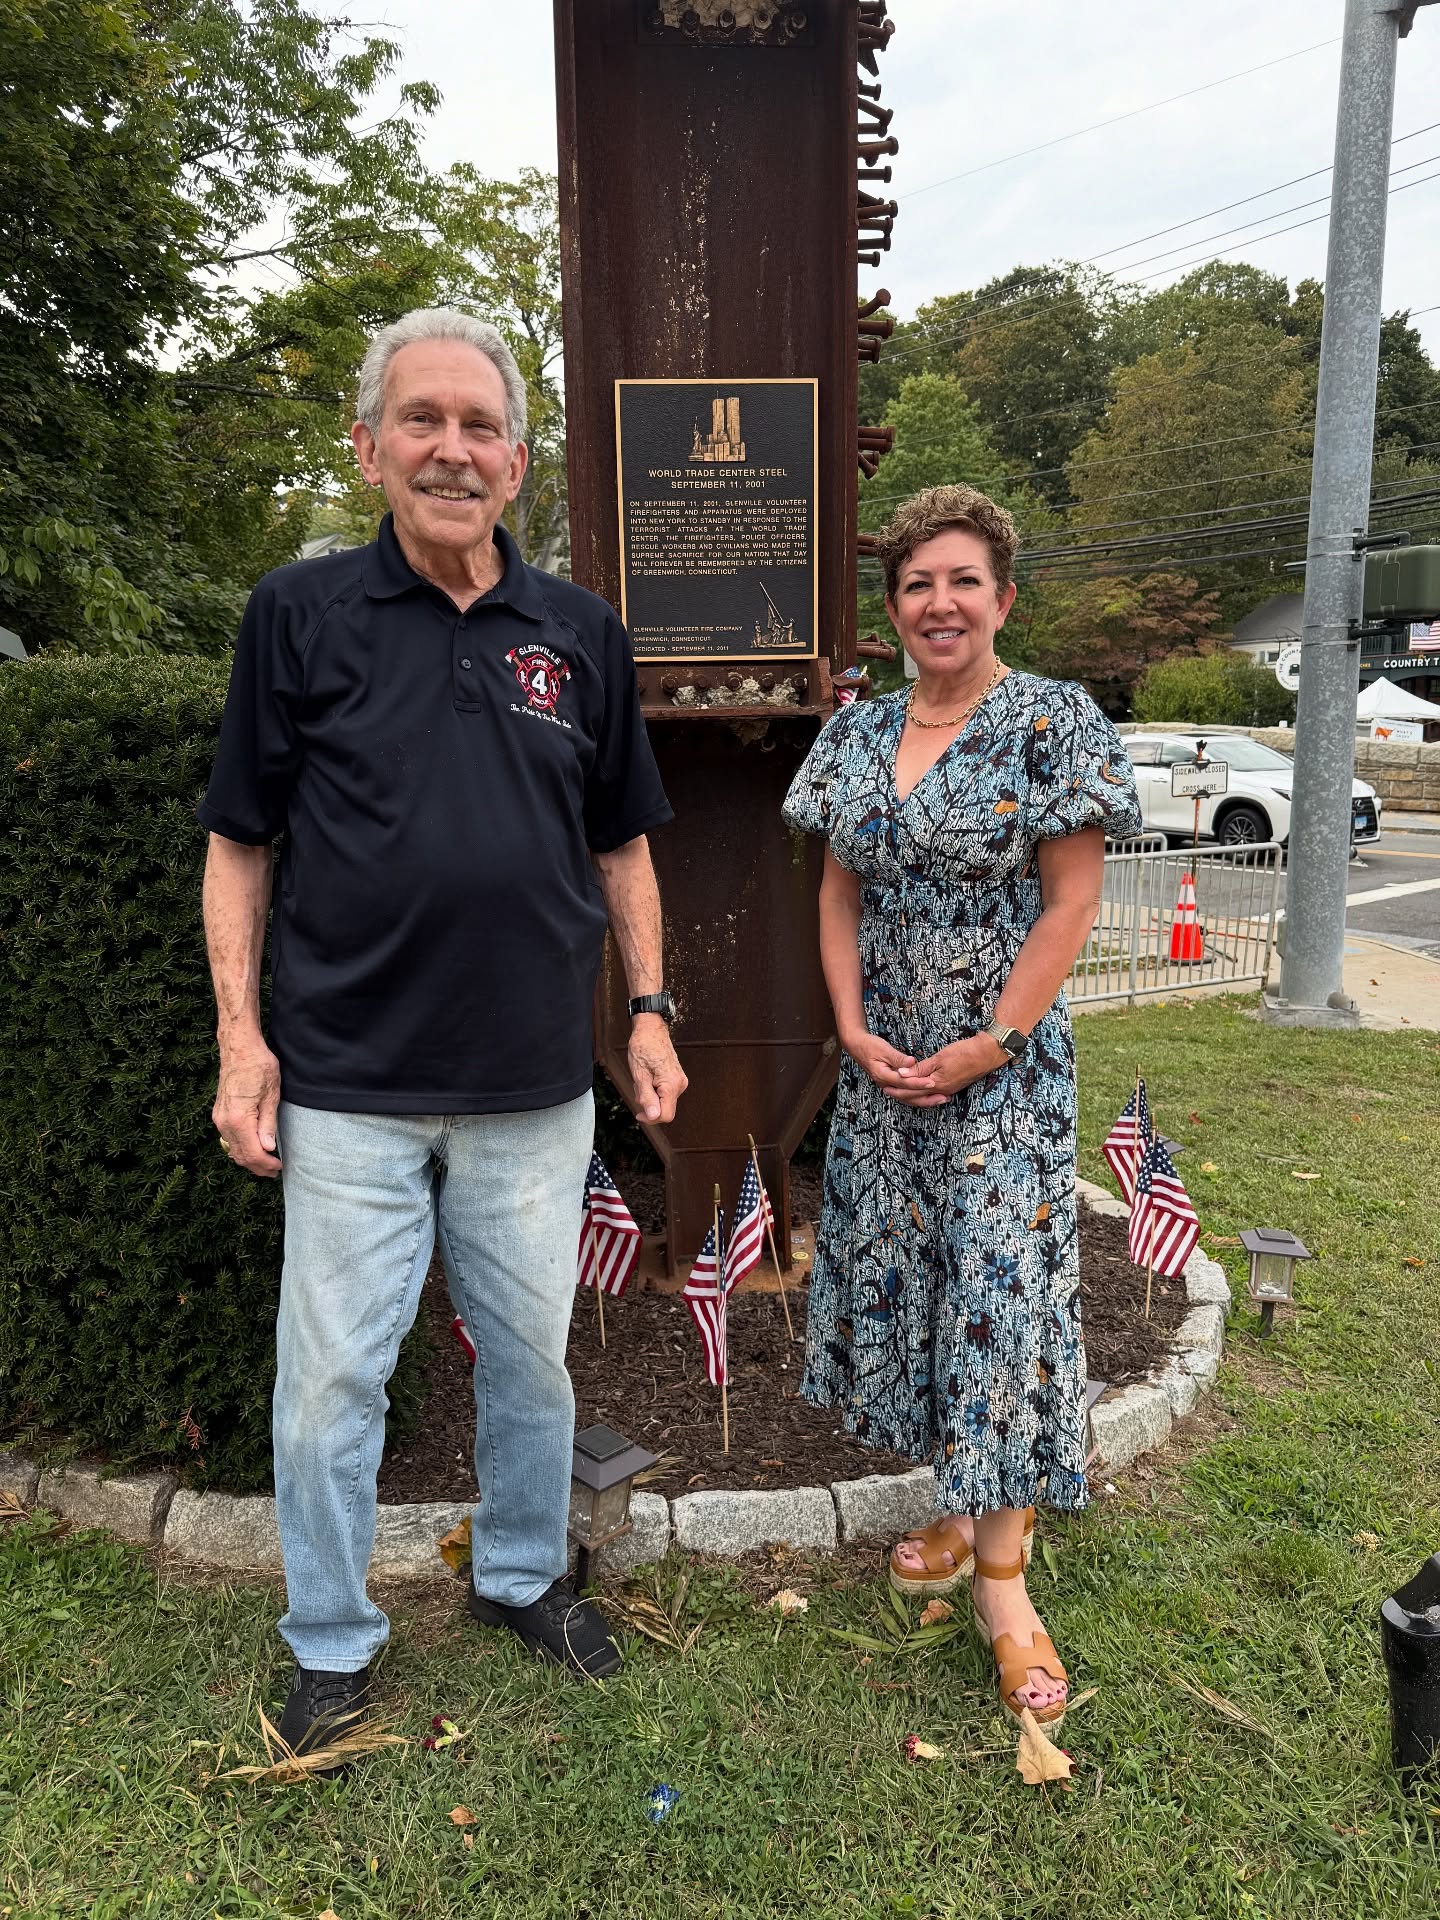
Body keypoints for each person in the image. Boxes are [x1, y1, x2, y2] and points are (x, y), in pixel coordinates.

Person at [199, 307, 687, 1759]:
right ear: (368, 449)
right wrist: (244, 1042)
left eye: (480, 428)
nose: (452, 450)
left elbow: (625, 845)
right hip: (347, 1083)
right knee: (335, 1377)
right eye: (423, 421)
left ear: (519, 461)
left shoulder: (581, 633)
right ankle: (331, 1639)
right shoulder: (298, 616)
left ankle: (523, 1576)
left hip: (535, 1090)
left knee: (532, 1356)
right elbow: (239, 842)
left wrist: (649, 1010)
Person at [782, 483, 1140, 1728]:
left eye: (964, 580)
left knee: (995, 1294)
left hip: (1000, 1074)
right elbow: (837, 895)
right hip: (888, 1074)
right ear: (892, 610)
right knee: (923, 1287)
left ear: (1003, 597)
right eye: (918, 583)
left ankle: (1004, 1585)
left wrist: (989, 1042)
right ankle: (961, 1499)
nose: (942, 602)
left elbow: (1071, 906)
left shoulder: (1052, 722)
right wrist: (850, 1027)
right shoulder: (856, 736)